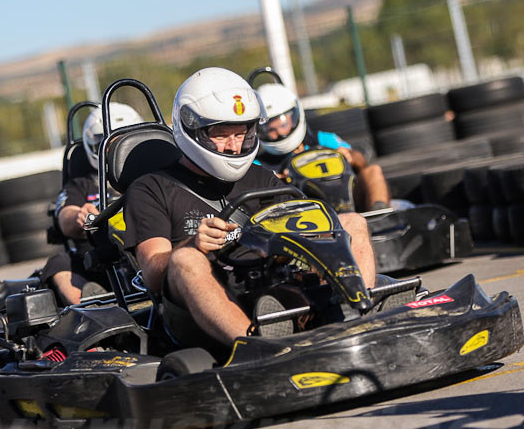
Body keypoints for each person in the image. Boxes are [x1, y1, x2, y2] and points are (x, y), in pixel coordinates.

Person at [123, 67, 377, 349]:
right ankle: (257, 347)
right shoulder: (150, 189)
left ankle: (358, 318)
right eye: (222, 134)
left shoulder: (264, 178)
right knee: (185, 261)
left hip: (270, 283)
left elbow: (303, 231)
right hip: (198, 309)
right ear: (192, 128)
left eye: (241, 133)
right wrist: (193, 244)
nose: (234, 147)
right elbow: (154, 273)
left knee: (351, 222)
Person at [40, 102, 143, 304]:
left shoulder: (151, 175)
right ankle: (91, 305)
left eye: (120, 141)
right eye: (105, 143)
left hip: (147, 244)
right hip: (99, 260)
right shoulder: (82, 184)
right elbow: (65, 217)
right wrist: (81, 218)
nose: (112, 149)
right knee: (59, 263)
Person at [253, 81, 393, 212]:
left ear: (294, 115)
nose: (279, 132)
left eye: (283, 124)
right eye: (271, 129)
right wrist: (275, 181)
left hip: (348, 198)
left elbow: (361, 162)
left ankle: (380, 214)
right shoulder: (260, 164)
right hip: (306, 213)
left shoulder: (322, 139)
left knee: (373, 170)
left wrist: (349, 156)